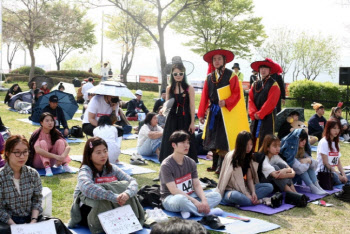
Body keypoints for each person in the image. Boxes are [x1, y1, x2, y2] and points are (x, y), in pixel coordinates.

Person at [69, 137, 141, 232]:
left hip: (110, 208)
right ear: (89, 155)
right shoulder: (85, 170)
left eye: (105, 151)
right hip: (88, 211)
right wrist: (114, 197)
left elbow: (132, 181)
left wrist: (126, 194)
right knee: (100, 198)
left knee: (125, 187)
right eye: (98, 152)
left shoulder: (112, 168)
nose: (103, 155)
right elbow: (86, 187)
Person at [160, 131, 222, 218]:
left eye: (188, 143)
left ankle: (188, 210)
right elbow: (174, 191)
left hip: (190, 194)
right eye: (183, 142)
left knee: (217, 195)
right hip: (171, 198)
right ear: (174, 145)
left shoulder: (191, 162)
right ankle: (207, 212)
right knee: (181, 200)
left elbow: (196, 185)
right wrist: (195, 202)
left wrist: (204, 201)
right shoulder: (166, 165)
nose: (186, 145)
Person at [198, 49, 241, 173]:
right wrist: (201, 113)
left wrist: (227, 101)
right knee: (212, 137)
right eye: (214, 59)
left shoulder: (231, 75)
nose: (216, 61)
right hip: (213, 111)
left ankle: (221, 167)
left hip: (225, 112)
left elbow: (237, 93)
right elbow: (204, 96)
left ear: (224, 61)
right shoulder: (209, 77)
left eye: (219, 59)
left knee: (222, 139)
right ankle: (214, 164)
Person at [216, 131, 274, 207]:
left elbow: (249, 179)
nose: (249, 147)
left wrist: (253, 192)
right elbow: (234, 182)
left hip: (244, 187)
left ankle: (246, 201)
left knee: (269, 186)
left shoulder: (248, 157)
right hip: (230, 190)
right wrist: (247, 194)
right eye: (246, 145)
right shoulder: (232, 157)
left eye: (251, 144)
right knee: (236, 196)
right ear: (241, 145)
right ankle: (259, 201)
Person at [159, 60, 198, 164]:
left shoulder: (189, 88)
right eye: (175, 74)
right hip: (171, 119)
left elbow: (192, 106)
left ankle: (187, 168)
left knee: (185, 141)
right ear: (172, 74)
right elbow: (167, 104)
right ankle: (167, 167)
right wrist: (162, 109)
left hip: (185, 119)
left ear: (184, 74)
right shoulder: (169, 88)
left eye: (180, 73)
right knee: (169, 142)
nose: (178, 76)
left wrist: (192, 123)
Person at [0, 135, 42, 227]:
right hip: (7, 222)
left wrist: (33, 221)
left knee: (56, 224)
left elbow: (37, 200)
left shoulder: (33, 173)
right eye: (17, 152)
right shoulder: (1, 176)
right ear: (7, 153)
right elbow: (0, 209)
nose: (22, 156)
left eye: (25, 152)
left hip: (31, 218)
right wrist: (15, 227)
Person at [280, 129, 327, 195]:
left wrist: (308, 160)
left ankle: (317, 186)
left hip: (295, 175)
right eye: (301, 140)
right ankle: (312, 187)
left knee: (308, 166)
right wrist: (308, 162)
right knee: (303, 170)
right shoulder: (289, 150)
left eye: (305, 140)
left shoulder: (301, 149)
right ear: (296, 140)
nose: (304, 142)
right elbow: (300, 169)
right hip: (287, 179)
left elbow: (315, 165)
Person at [249, 58, 281, 151]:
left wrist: (260, 113)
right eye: (261, 68)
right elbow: (250, 100)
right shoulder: (255, 84)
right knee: (253, 134)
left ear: (270, 70)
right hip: (256, 115)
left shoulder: (274, 84)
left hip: (268, 116)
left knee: (266, 137)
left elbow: (271, 102)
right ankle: (252, 155)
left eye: (265, 68)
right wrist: (254, 113)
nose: (263, 70)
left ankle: (263, 157)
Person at [28, 112, 73, 176]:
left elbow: (67, 146)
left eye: (52, 120)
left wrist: (62, 156)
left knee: (60, 141)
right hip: (38, 162)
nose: (50, 123)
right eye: (47, 121)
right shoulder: (38, 133)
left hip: (51, 162)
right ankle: (47, 167)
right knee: (42, 142)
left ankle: (65, 165)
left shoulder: (56, 132)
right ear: (41, 123)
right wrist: (55, 156)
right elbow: (38, 150)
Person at [316, 118, 350, 185]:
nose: (336, 131)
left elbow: (338, 162)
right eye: (334, 128)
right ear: (328, 129)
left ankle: (345, 180)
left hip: (333, 172)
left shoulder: (336, 143)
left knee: (347, 175)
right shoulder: (324, 142)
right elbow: (326, 164)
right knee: (337, 177)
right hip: (324, 174)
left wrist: (343, 175)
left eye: (338, 128)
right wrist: (339, 175)